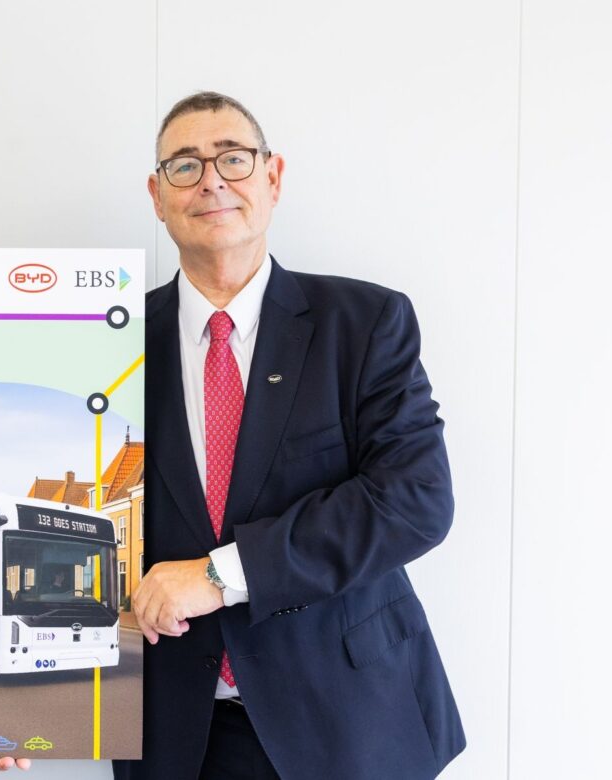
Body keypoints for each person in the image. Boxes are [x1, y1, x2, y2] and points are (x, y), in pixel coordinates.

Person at [115, 93, 466, 779]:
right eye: (185, 165)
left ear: (272, 178)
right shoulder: (108, 340)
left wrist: (219, 576)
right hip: (175, 734)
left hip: (346, 722)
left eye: (233, 159)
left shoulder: (363, 323)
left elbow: (415, 501)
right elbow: (70, 528)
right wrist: (21, 706)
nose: (211, 180)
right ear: (157, 196)